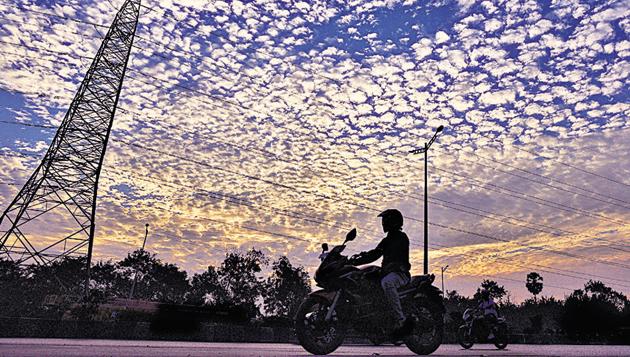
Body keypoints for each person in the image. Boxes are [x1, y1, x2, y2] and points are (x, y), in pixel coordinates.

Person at [350, 209, 413, 338]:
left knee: (387, 283)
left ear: (393, 221)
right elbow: (375, 253)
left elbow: (394, 254)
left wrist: (386, 266)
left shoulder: (401, 238)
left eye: (385, 220)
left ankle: (401, 320)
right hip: (388, 272)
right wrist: (356, 260)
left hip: (399, 274)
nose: (383, 223)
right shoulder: (387, 240)